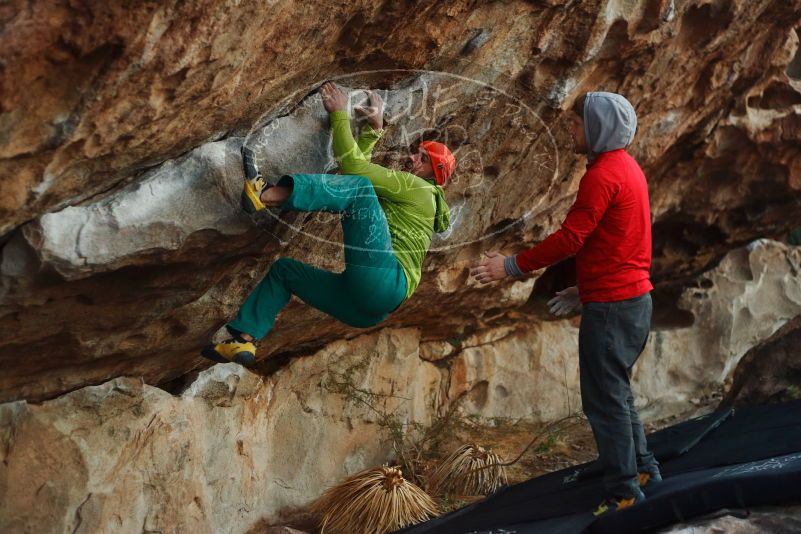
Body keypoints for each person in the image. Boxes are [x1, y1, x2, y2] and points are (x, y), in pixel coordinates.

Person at [471, 91, 661, 515]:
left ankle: (624, 493)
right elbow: (626, 239)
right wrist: (585, 288)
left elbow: (572, 238)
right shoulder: (629, 169)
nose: (571, 129)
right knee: (618, 394)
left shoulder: (602, 175)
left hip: (613, 308)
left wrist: (512, 266)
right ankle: (644, 470)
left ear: (597, 128)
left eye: (577, 123)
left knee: (603, 402)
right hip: (633, 299)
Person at [202, 82, 455, 367]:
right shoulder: (417, 198)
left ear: (434, 175)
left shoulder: (420, 189)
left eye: (422, 158)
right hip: (368, 308)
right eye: (416, 151)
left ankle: (264, 195)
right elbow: (358, 170)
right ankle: (243, 339)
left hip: (385, 280)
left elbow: (355, 174)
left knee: (359, 190)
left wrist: (339, 114)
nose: (411, 157)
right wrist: (373, 129)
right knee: (285, 272)